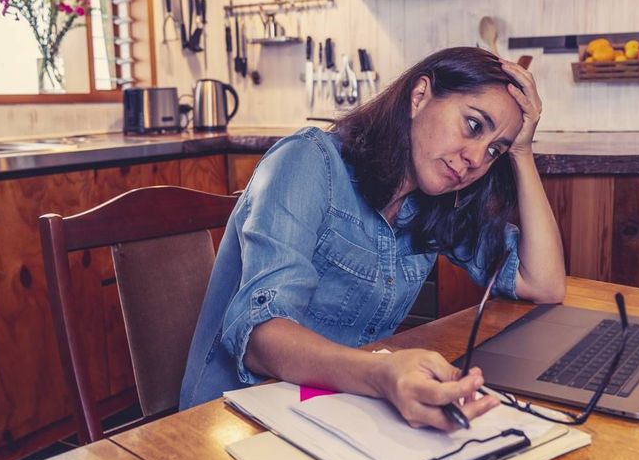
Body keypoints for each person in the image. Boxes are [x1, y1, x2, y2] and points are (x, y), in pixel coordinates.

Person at [179, 46, 566, 430]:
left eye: (495, 150)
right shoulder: (307, 161)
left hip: (331, 410)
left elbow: (542, 283)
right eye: (474, 126)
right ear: (420, 97)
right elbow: (261, 338)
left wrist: (522, 150)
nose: (477, 159)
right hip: (229, 424)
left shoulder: (433, 204)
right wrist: (383, 372)